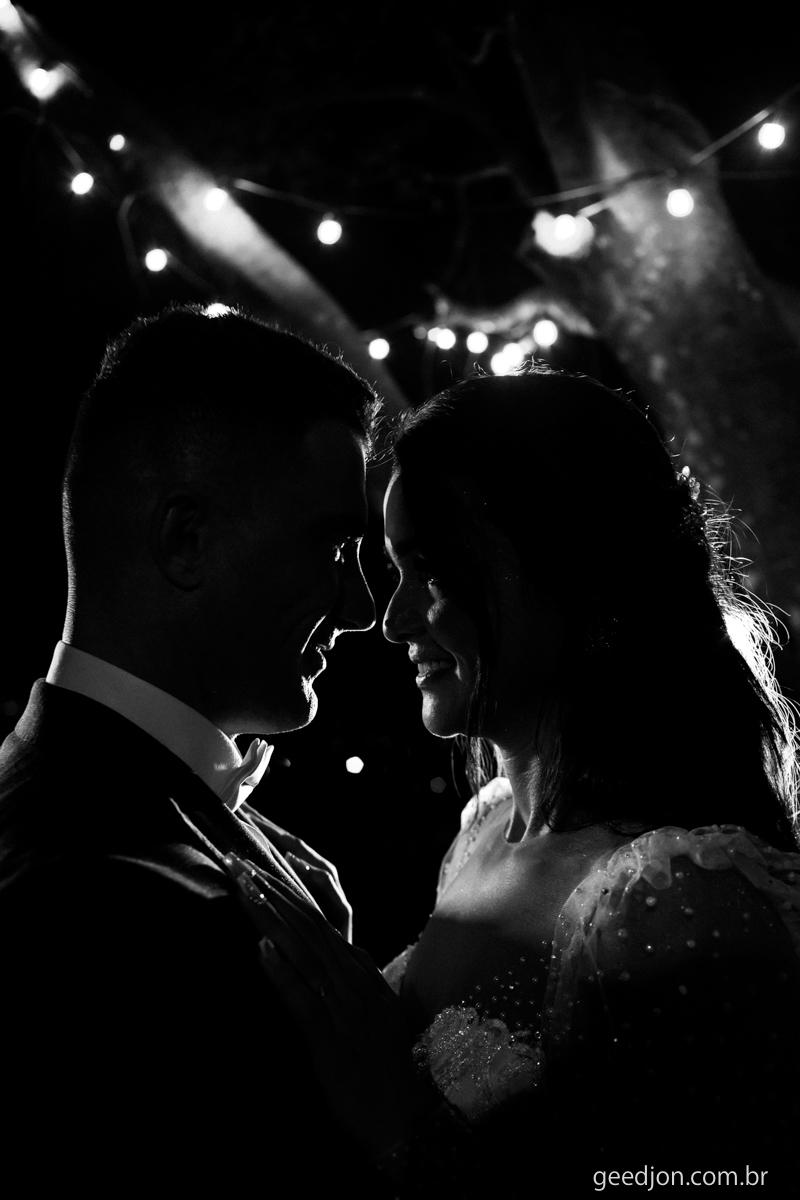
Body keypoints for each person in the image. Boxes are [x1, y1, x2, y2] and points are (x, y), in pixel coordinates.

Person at [232, 368, 800, 1195]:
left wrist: (405, 1132)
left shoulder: (676, 901)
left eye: (432, 568)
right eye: (395, 568)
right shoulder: (487, 827)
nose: (393, 620)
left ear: (572, 570)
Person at [0, 303, 414, 1193]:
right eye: (334, 546)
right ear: (185, 540)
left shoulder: (70, 798)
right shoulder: (111, 906)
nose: (360, 608)